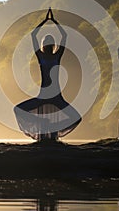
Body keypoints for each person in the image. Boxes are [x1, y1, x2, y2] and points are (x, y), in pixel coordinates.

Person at [14, 8, 81, 141]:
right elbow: (34, 35)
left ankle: (52, 127)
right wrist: (45, 21)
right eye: (47, 43)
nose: (49, 45)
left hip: (56, 95)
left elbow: (64, 36)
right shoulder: (41, 57)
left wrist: (55, 22)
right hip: (43, 95)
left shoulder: (57, 56)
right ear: (44, 45)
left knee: (76, 117)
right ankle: (44, 124)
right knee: (18, 109)